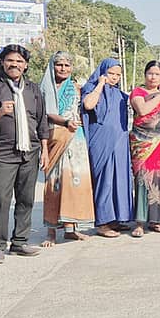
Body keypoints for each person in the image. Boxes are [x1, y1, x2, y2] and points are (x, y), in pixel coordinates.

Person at [0, 44, 49, 262]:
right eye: (10, 60)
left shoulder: (32, 89)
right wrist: (0, 111)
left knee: (26, 198)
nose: (15, 64)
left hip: (30, 151)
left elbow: (41, 121)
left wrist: (45, 150)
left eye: (20, 61)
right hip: (3, 151)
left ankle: (20, 241)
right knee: (1, 198)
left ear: (26, 65)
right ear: (3, 63)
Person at [40, 51, 95, 247]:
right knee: (53, 184)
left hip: (75, 139)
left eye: (66, 65)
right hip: (55, 137)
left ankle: (72, 228)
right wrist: (64, 122)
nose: (63, 69)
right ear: (52, 66)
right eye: (59, 65)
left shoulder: (75, 88)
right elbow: (44, 114)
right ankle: (51, 232)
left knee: (75, 183)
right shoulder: (44, 88)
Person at [81, 58, 134, 238]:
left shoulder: (120, 95)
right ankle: (102, 223)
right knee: (105, 181)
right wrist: (100, 85)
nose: (114, 78)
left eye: (118, 75)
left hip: (119, 141)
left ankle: (117, 218)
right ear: (102, 72)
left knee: (120, 179)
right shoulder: (91, 88)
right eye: (111, 73)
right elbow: (88, 105)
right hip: (101, 141)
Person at [129, 60, 160, 236]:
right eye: (150, 73)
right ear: (145, 75)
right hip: (141, 142)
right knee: (142, 180)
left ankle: (157, 220)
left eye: (157, 74)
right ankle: (139, 222)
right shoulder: (138, 92)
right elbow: (144, 110)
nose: (153, 77)